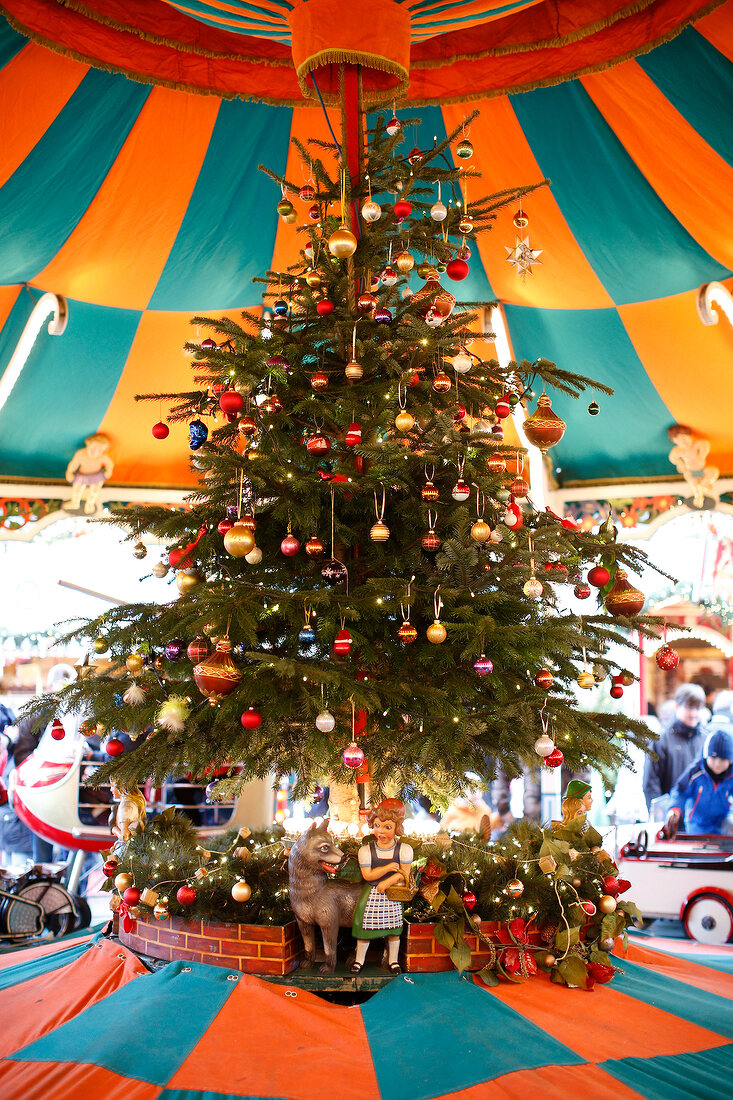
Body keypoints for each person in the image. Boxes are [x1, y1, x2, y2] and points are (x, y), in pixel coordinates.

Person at [351, 799, 413, 974]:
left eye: (387, 827)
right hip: (371, 894)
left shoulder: (403, 850)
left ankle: (393, 961)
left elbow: (404, 873)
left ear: (396, 829)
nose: (381, 831)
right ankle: (359, 961)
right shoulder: (366, 851)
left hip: (392, 895)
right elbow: (368, 875)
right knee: (364, 929)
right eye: (377, 826)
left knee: (394, 931)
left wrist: (388, 882)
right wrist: (386, 869)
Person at [643, 683, 706, 811]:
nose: (694, 713)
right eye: (689, 707)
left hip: (699, 820)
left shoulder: (706, 738)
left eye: (698, 708)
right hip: (671, 817)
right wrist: (662, 815)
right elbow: (651, 783)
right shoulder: (661, 739)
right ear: (677, 706)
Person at [665, 728, 733, 836]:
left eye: (723, 760)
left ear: (730, 760)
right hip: (697, 825)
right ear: (706, 756)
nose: (717, 763)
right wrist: (675, 808)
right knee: (700, 850)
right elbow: (680, 791)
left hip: (722, 822)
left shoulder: (731, 775)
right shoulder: (695, 772)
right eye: (713, 758)